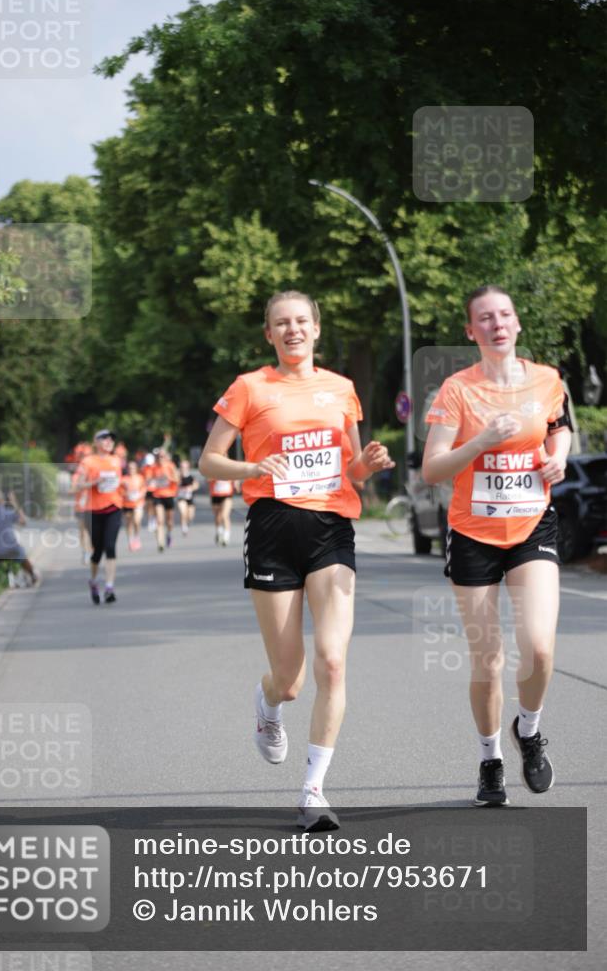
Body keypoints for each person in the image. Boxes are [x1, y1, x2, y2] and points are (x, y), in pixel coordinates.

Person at [199, 289, 393, 831]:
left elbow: (350, 469)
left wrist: (368, 463)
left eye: (301, 321)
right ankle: (268, 706)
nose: (292, 330)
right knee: (290, 680)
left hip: (331, 530)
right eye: (281, 323)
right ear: (269, 334)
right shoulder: (249, 388)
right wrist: (255, 468)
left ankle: (313, 790)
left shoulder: (341, 390)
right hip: (271, 531)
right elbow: (210, 462)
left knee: (333, 660)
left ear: (316, 328)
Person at [422, 285, 571, 807]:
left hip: (532, 525)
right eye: (485, 318)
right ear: (471, 332)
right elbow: (433, 469)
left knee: (540, 647)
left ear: (517, 324)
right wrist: (481, 441)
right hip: (472, 534)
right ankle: (490, 760)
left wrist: (559, 458)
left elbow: (560, 427)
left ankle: (527, 731)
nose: (497, 323)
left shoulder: (547, 379)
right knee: (488, 660)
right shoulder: (456, 391)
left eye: (505, 314)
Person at [75, 429, 123, 604]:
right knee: (97, 552)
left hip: (114, 508)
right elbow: (79, 484)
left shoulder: (117, 461)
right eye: (104, 438)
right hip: (94, 510)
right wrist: (94, 483)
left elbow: (118, 483)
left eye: (111, 439)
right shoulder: (88, 462)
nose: (109, 441)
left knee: (110, 547)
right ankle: (94, 581)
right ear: (96, 442)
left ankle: (109, 587)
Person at [0, 490, 38, 585]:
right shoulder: (8, 513)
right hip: (11, 550)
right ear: (3, 501)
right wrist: (15, 503)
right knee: (21, 553)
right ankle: (32, 575)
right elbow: (23, 522)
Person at [146, 448, 180, 551]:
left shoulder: (170, 465)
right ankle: (160, 543)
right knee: (160, 520)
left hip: (169, 495)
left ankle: (169, 534)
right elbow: (148, 481)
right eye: (158, 456)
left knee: (169, 521)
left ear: (165, 457)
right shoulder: (153, 468)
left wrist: (169, 477)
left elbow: (177, 480)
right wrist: (151, 482)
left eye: (162, 456)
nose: (160, 458)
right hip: (158, 496)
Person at [121, 459, 146, 551]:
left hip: (138, 502)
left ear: (136, 468)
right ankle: (130, 540)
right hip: (127, 504)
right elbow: (120, 491)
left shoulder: (140, 478)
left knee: (137, 521)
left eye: (133, 468)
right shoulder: (123, 479)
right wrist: (126, 494)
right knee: (129, 523)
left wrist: (140, 494)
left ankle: (137, 537)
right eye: (130, 468)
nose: (131, 469)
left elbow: (144, 488)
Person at [209, 479, 236, 545]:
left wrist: (236, 483)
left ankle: (226, 537)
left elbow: (235, 476)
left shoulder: (229, 470)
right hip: (216, 495)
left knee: (225, 515)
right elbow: (208, 478)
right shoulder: (214, 469)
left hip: (227, 495)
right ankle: (219, 531)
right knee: (218, 516)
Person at [176, 459, 200, 536]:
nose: (183, 468)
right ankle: (184, 527)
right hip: (181, 498)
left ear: (188, 468)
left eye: (185, 467)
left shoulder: (191, 477)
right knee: (183, 513)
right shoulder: (178, 477)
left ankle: (187, 524)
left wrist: (191, 488)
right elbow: (174, 484)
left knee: (190, 516)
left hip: (190, 498)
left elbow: (196, 485)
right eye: (182, 467)